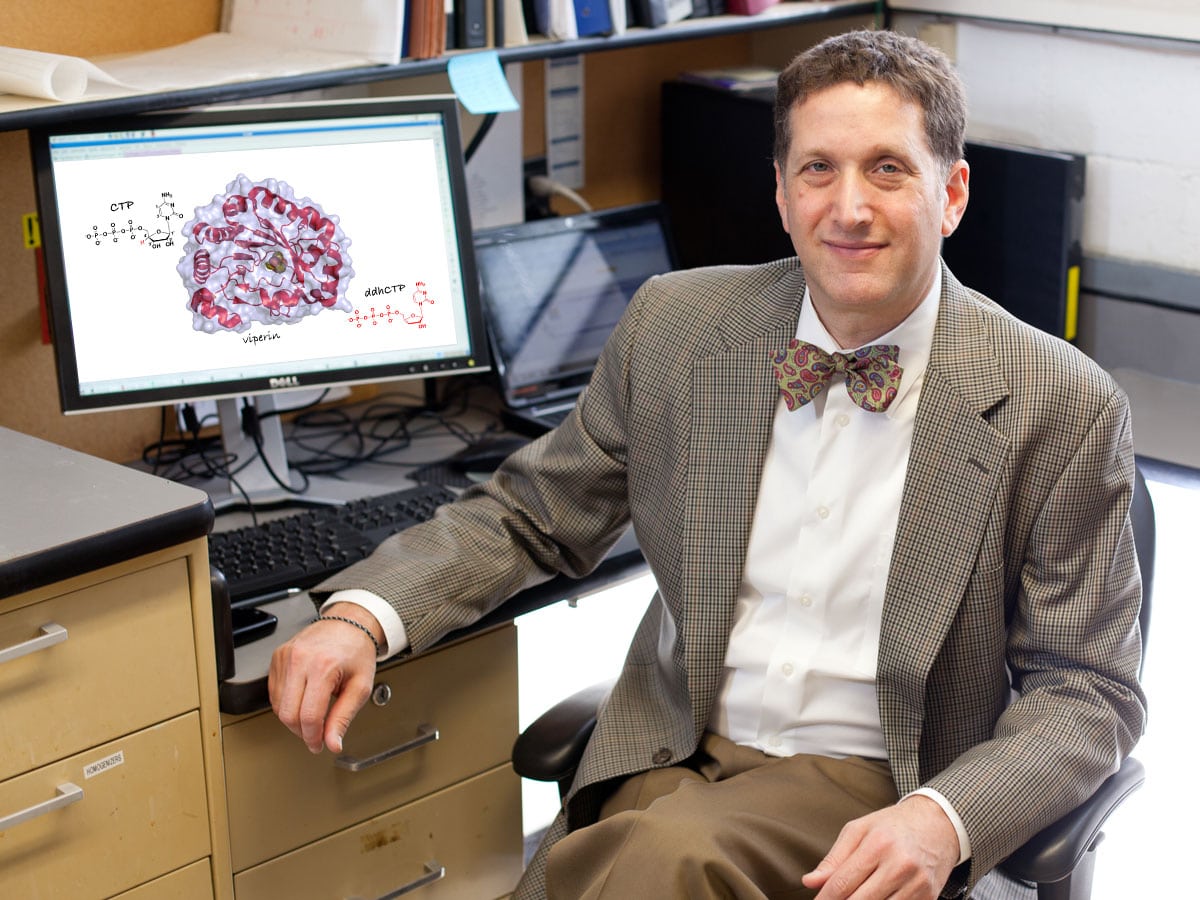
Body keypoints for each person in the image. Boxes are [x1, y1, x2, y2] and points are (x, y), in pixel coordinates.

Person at [269, 29, 1145, 900]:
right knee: (650, 850)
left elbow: (1088, 691)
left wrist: (942, 819)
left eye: (887, 169)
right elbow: (531, 514)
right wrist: (360, 617)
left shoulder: (1060, 402)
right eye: (818, 169)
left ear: (950, 194)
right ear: (781, 192)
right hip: (670, 752)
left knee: (659, 862)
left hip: (882, 789)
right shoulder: (678, 328)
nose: (849, 208)